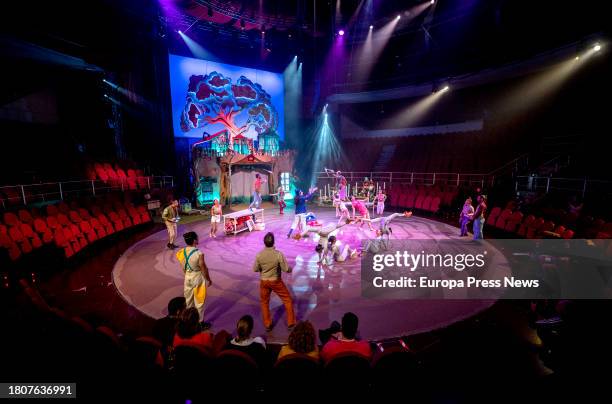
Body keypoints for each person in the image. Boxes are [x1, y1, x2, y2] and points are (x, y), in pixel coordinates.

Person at [253, 232, 295, 332]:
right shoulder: (278, 254)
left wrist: (263, 268)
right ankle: (290, 323)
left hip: (264, 281)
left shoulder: (259, 255)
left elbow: (255, 269)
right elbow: (285, 269)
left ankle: (268, 324)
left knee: (264, 302)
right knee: (287, 300)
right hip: (275, 281)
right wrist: (290, 269)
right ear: (273, 242)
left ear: (264, 243)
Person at [176, 232, 212, 321]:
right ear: (195, 240)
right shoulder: (199, 253)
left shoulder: (181, 252)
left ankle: (187, 319)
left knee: (188, 300)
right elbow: (203, 268)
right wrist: (208, 279)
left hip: (187, 277)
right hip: (197, 277)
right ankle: (200, 322)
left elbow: (183, 268)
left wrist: (188, 275)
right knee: (199, 301)